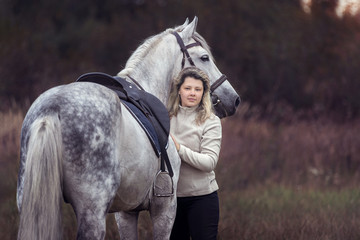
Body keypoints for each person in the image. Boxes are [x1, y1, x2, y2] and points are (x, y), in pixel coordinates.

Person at [168, 67, 222, 240]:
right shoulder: (166, 118)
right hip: (171, 201)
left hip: (202, 198)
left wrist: (179, 149)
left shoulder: (211, 121)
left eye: (198, 89)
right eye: (188, 88)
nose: (192, 93)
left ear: (203, 93)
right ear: (179, 91)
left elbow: (209, 162)